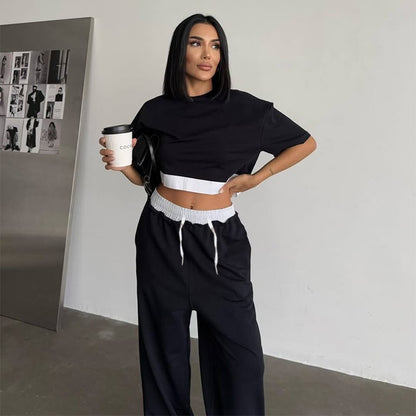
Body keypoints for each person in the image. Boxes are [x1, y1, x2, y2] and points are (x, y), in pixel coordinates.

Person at [99, 14, 316, 416]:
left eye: (215, 45)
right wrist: (122, 166)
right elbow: (145, 176)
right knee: (163, 347)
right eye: (196, 43)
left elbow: (305, 143)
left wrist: (258, 177)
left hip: (219, 243)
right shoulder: (155, 110)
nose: (207, 54)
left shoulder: (247, 109)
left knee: (241, 357)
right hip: (160, 234)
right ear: (179, 50)